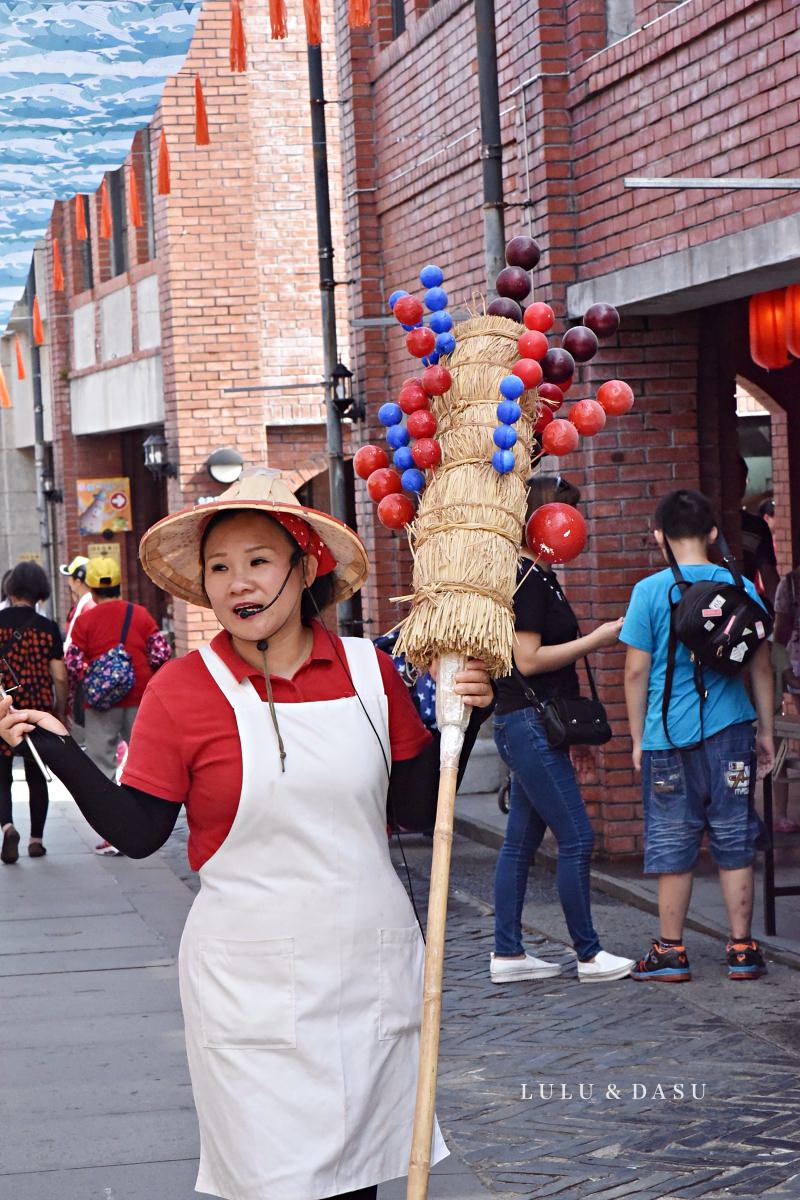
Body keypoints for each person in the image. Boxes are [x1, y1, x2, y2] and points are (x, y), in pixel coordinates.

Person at [0, 468, 495, 1200]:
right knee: (273, 1185)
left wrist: (467, 714)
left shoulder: (370, 673)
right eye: (221, 568)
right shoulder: (182, 689)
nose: (239, 583)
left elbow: (419, 811)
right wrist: (58, 747)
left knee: (358, 1181)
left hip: (366, 970)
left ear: (304, 566)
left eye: (259, 561)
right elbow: (139, 832)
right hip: (247, 984)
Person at [621, 489, 774, 982]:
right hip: (732, 731)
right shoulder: (741, 588)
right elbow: (762, 666)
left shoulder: (649, 591)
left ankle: (671, 951)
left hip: (668, 738)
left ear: (658, 535)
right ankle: (743, 949)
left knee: (673, 839)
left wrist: (638, 739)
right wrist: (767, 730)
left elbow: (634, 674)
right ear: (712, 533)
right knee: (734, 836)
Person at [491, 474, 635, 985]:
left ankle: (507, 954)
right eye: (569, 512)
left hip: (532, 725)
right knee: (575, 838)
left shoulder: (539, 575)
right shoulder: (527, 579)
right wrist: (597, 638)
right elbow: (525, 660)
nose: (578, 524)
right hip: (526, 722)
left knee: (520, 844)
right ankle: (589, 955)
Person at [65, 555, 171, 855]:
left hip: (100, 704)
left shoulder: (86, 620)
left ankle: (113, 833)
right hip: (140, 699)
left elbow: (72, 663)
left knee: (102, 765)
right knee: (144, 762)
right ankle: (145, 821)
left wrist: (90, 679)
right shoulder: (139, 614)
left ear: (93, 589)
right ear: (119, 585)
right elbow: (161, 653)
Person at [0, 561, 67, 862]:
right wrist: (60, 710)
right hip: (37, 708)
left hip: (3, 709)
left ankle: (8, 827)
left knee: (1, 777)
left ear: (10, 589)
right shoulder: (48, 627)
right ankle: (36, 840)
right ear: (40, 591)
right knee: (37, 774)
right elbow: (60, 675)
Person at [773, 547, 800, 833]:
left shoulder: (790, 584)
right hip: (796, 668)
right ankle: (778, 813)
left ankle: (779, 814)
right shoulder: (790, 585)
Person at [60, 555, 95, 747]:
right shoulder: (84, 604)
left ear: (78, 581)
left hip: (84, 675)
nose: (68, 582)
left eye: (70, 577)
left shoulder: (88, 606)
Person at [738, 458, 779, 608]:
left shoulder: (757, 527)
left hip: (746, 610)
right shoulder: (707, 525)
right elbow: (771, 583)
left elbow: (770, 582)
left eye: (741, 479)